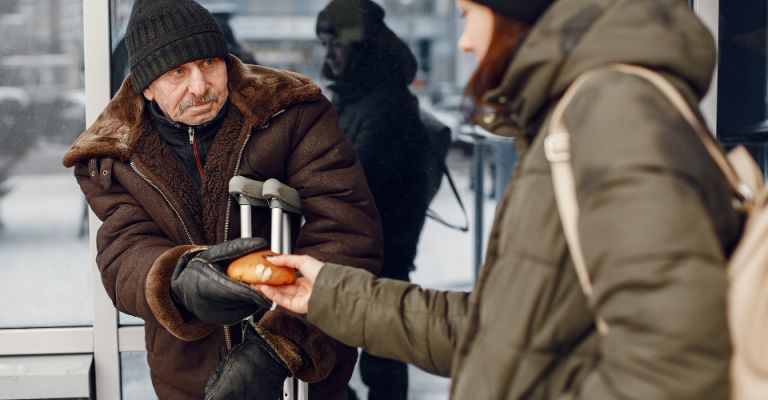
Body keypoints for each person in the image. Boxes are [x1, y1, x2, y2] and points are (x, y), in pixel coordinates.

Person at [258, 0, 743, 398]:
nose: (466, 40)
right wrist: (326, 293)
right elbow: (499, 329)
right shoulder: (575, 118)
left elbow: (669, 369)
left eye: (470, 13)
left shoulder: (612, 114)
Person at [62, 0, 382, 398]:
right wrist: (177, 278)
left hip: (302, 372)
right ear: (147, 85)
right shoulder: (113, 154)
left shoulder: (293, 112)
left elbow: (348, 235)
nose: (200, 86)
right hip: (190, 375)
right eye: (178, 71)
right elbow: (123, 254)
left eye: (209, 64)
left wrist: (282, 347)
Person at [314, 1, 431, 399]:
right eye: (324, 44)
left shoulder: (385, 104)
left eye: (337, 44)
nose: (328, 54)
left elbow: (353, 179)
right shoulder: (356, 95)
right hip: (369, 239)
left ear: (362, 47)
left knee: (382, 351)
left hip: (384, 243)